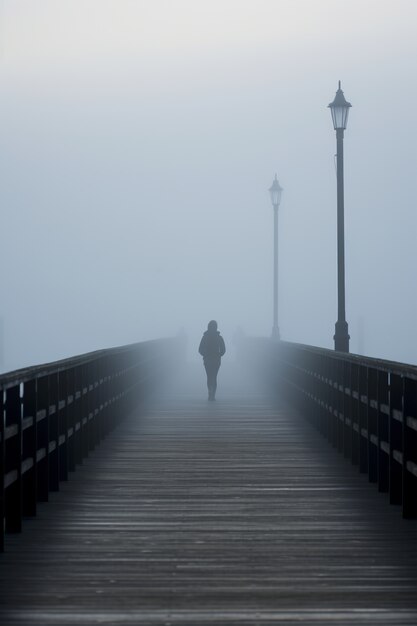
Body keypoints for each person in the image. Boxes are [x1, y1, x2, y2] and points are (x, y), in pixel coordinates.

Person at [198, 320, 226, 401]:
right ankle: (213, 394)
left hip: (207, 360)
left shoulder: (205, 337)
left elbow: (200, 349)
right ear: (216, 327)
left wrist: (205, 355)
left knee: (209, 376)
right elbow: (223, 349)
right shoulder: (219, 337)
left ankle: (210, 392)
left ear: (208, 327)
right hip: (216, 360)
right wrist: (219, 355)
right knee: (214, 377)